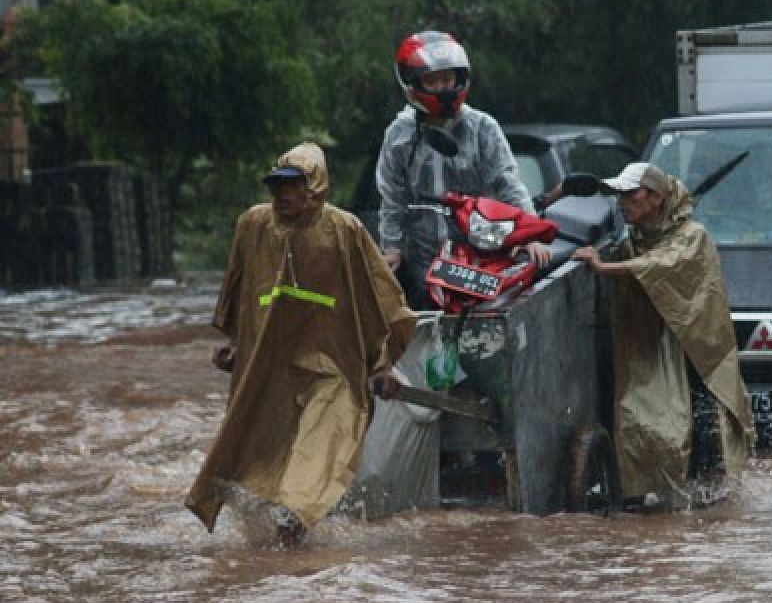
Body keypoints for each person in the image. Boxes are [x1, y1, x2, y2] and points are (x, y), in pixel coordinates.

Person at [186, 142, 417, 545]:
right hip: (270, 365)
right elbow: (241, 292)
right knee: (255, 458)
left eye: (293, 187)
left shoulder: (344, 231)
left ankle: (290, 532)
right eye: (277, 187)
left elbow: (379, 300)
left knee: (319, 452)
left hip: (333, 369)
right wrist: (238, 345)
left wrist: (381, 364)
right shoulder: (254, 226)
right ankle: (267, 538)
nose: (284, 196)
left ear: (316, 187)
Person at [572, 162, 755, 507]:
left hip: (697, 358)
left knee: (705, 433)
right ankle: (651, 492)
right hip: (654, 354)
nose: (622, 202)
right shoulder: (633, 241)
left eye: (630, 194)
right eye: (619, 195)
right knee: (645, 421)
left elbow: (663, 265)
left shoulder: (692, 236)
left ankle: (706, 502)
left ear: (655, 197)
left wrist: (603, 267)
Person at [376, 30, 543, 309]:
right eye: (432, 81)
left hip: (480, 257)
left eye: (447, 79)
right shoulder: (400, 135)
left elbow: (507, 183)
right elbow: (393, 199)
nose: (443, 88)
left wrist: (531, 235)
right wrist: (391, 249)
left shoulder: (482, 128)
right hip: (422, 263)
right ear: (412, 83)